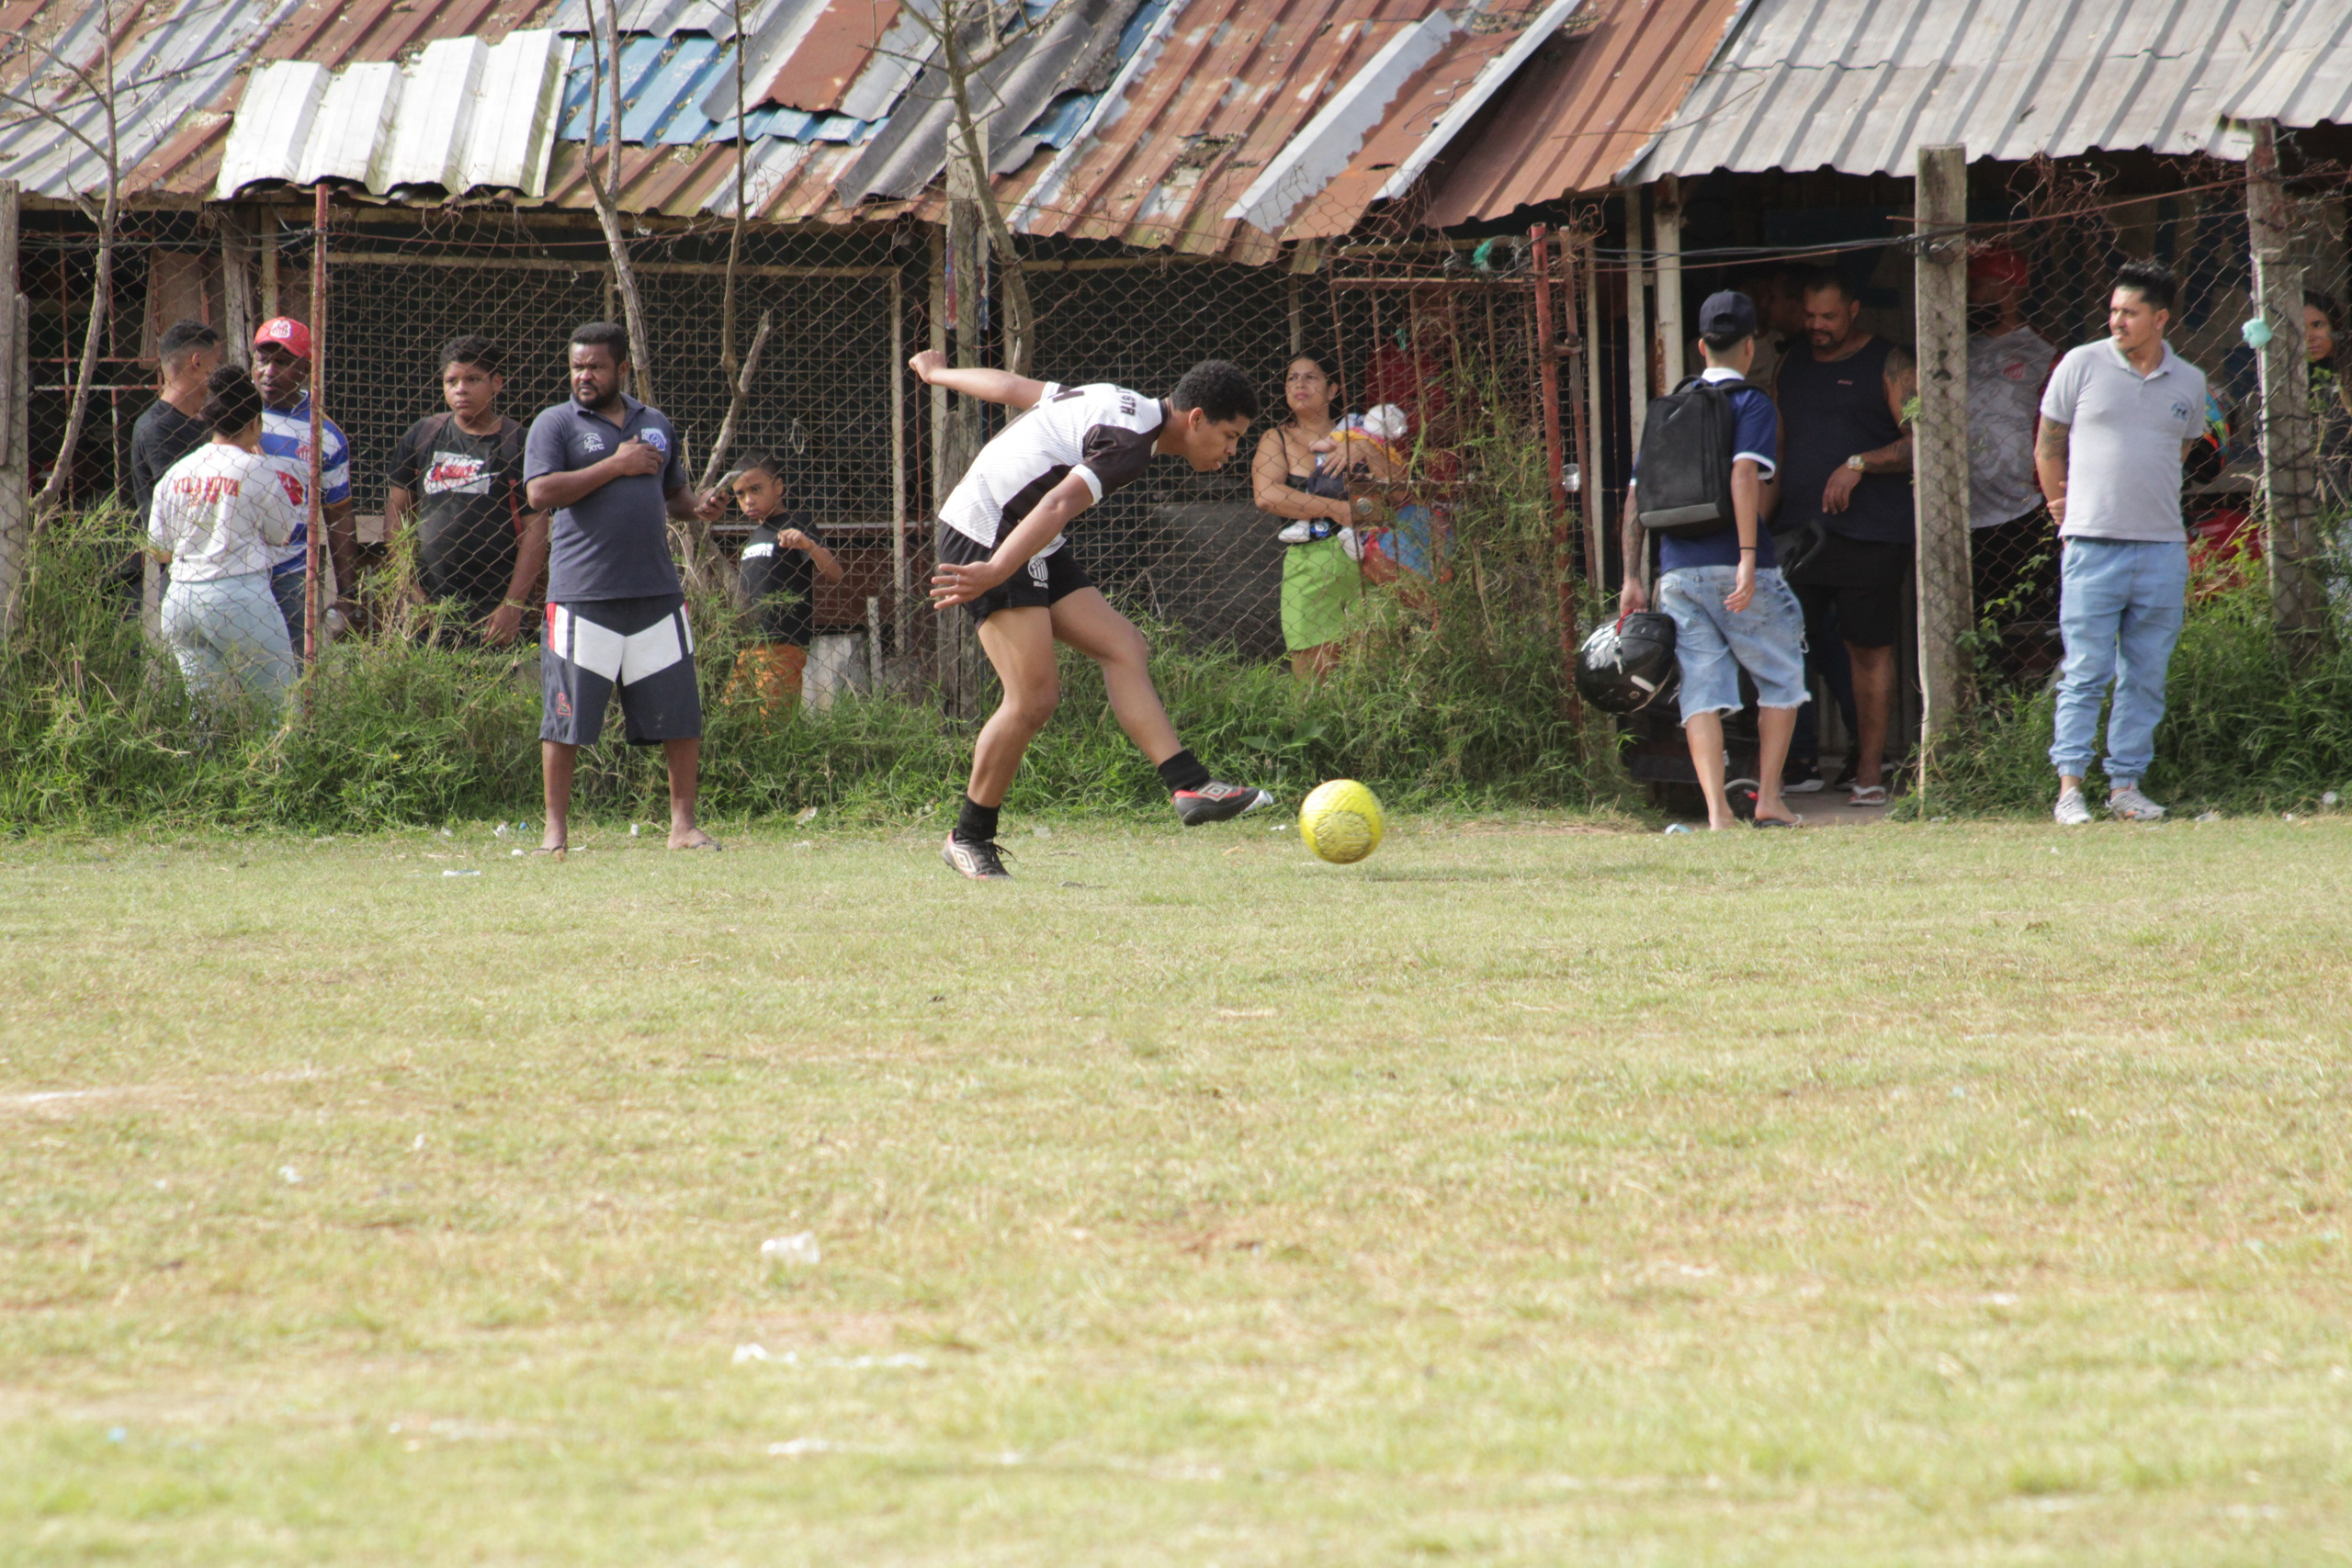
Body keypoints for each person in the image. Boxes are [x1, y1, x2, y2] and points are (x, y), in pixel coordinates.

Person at [913, 350, 1272, 880]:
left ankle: (1188, 784)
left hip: (1026, 537)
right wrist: (993, 569)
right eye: (1230, 436)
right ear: (1196, 419)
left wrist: (940, 374)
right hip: (991, 532)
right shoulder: (1130, 444)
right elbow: (1057, 504)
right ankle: (968, 837)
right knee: (1033, 698)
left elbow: (1013, 387)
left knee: (1124, 646)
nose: (1231, 451)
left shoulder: (1122, 404)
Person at [523, 321, 726, 856]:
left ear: (623, 369)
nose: (584, 376)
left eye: (595, 366)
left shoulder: (654, 424)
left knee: (680, 715)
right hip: (582, 597)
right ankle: (556, 834)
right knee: (565, 717)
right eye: (576, 366)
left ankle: (683, 828)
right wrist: (615, 465)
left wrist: (699, 507)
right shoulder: (556, 423)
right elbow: (541, 492)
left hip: (656, 595)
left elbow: (673, 495)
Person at [1618, 291, 1805, 831]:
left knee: (1700, 687)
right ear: (1750, 347)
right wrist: (1748, 557)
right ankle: (1768, 799)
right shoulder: (1752, 404)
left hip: (1677, 571)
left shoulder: (1667, 410)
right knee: (1781, 677)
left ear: (1700, 346)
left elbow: (1636, 498)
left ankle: (1718, 813)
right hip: (1738, 568)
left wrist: (1634, 577)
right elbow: (1745, 475)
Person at [2036, 261, 2208, 826]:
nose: (2117, 321)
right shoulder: (2079, 364)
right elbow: (2047, 444)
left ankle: (2126, 787)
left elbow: (2180, 452)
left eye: (2129, 313)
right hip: (2092, 545)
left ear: (2160, 319)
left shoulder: (2189, 381)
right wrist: (2060, 506)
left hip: (2160, 548)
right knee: (2086, 671)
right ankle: (2069, 790)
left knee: (2146, 674)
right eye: (2113, 310)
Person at [1774, 269, 1917, 807]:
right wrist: (1756, 534)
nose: (1817, 327)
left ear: (1853, 310)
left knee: (1867, 649)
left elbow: (1920, 440)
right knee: (1783, 645)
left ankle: (1868, 772)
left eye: (1828, 317)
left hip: (1871, 534)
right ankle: (1786, 768)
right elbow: (1781, 452)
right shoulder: (1790, 364)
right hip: (1799, 535)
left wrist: (1860, 462)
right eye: (1809, 316)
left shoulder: (1889, 362)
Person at [147, 366, 304, 711]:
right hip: (239, 595)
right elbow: (282, 534)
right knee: (280, 702)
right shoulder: (256, 468)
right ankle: (280, 762)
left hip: (181, 598)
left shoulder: (177, 473)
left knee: (205, 712)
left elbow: (159, 550)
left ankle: (200, 761)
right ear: (254, 424)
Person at [385, 335, 548, 648]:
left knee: (488, 690)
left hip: (493, 604)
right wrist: (408, 590)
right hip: (429, 602)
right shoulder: (423, 435)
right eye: (451, 380)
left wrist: (512, 607)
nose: (461, 388)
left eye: (473, 379)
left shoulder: (518, 443)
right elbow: (396, 517)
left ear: (496, 383)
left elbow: (536, 528)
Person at [1253, 351, 1365, 680]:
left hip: (1368, 561)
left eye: (1311, 377)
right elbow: (1267, 495)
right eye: (1292, 378)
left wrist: (1365, 448)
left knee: (1372, 673)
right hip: (1309, 566)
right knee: (1313, 681)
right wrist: (1339, 510)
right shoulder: (1277, 438)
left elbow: (1395, 491)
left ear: (1333, 390)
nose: (1299, 383)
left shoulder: (1360, 434)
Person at [251, 317, 361, 652]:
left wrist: (348, 595)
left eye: (283, 362)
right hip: (234, 568)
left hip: (290, 572)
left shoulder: (325, 435)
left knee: (290, 669)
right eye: (263, 359)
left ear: (305, 370)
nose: (269, 371)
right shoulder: (228, 414)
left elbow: (340, 515)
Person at [1965, 247, 2060, 622]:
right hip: (1960, 506)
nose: (1970, 296)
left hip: (2019, 506)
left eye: (1977, 286)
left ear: (2005, 288)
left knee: (2024, 615)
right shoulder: (1955, 350)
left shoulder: (2043, 354)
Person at [728, 454, 843, 714]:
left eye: (756, 489)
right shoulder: (756, 535)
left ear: (778, 486)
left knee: (774, 721)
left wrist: (809, 545)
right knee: (735, 717)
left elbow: (836, 574)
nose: (748, 500)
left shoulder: (796, 523)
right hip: (747, 644)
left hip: (781, 641)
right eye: (740, 494)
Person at [130, 321, 224, 531]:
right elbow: (184, 502)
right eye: (217, 362)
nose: (219, 370)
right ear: (197, 362)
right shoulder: (157, 428)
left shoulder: (208, 419)